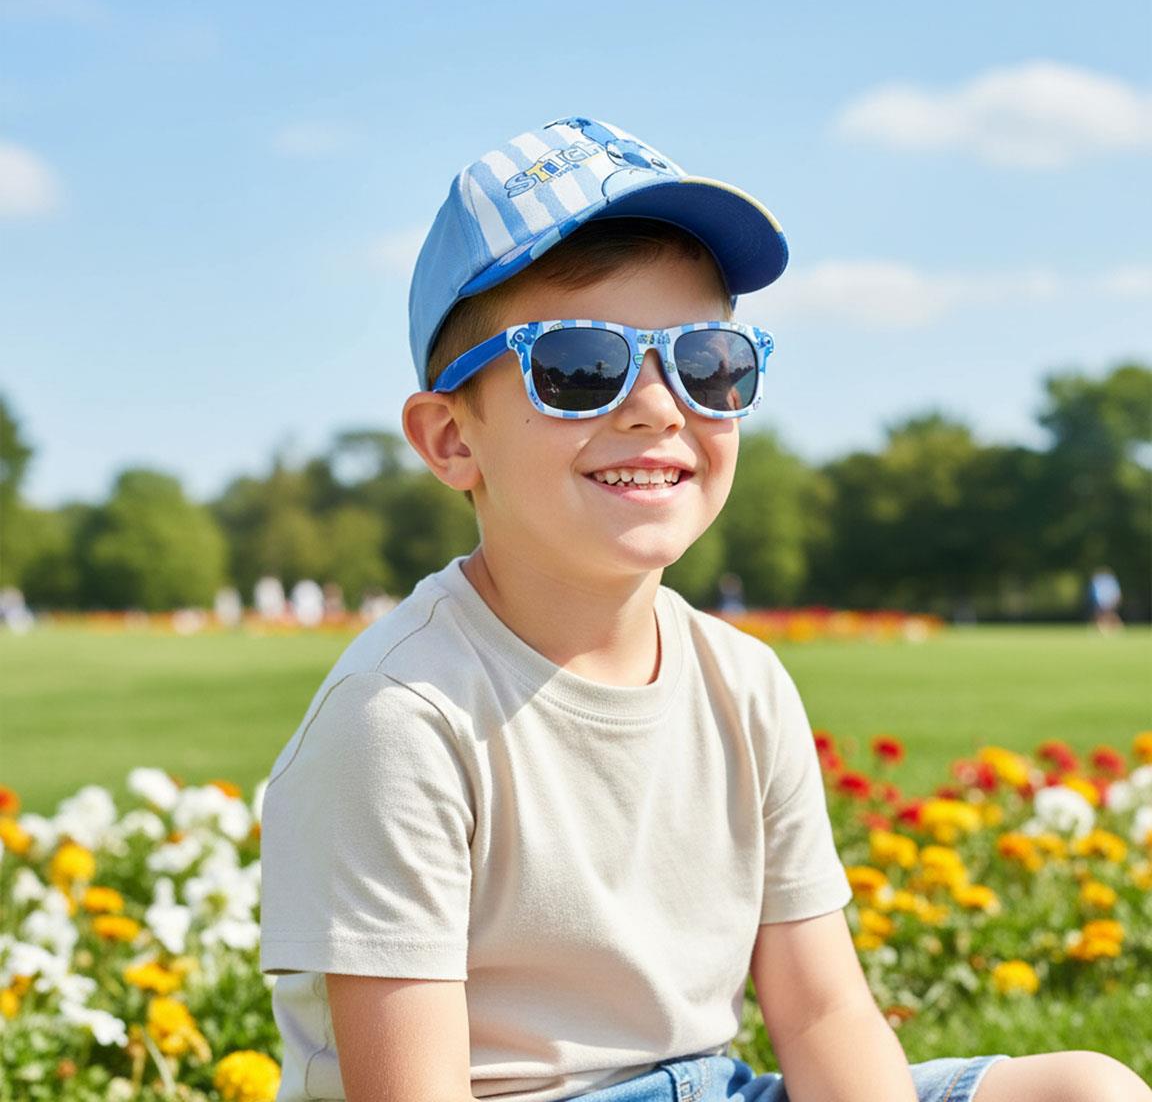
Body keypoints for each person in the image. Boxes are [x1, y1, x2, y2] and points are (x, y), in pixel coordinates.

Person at [258, 117, 1149, 1102]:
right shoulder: (403, 715)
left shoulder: (742, 681)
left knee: (1087, 1090)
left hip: (714, 1088)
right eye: (581, 365)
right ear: (450, 440)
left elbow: (820, 1013)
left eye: (708, 360)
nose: (656, 405)